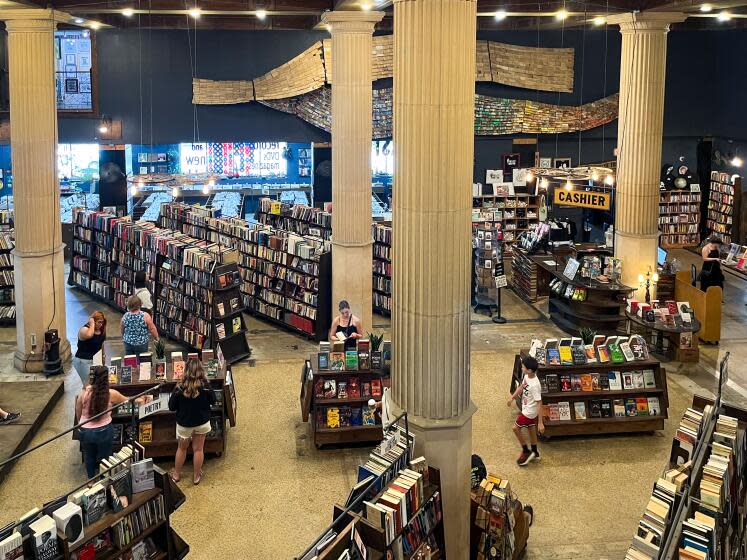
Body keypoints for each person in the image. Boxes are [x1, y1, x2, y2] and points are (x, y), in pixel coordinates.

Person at [75, 365, 151, 478]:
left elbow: (78, 411)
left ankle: (90, 480)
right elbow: (129, 400)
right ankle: (104, 480)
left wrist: (81, 426)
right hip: (104, 431)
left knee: (89, 456)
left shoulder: (84, 393)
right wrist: (142, 399)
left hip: (86, 430)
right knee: (105, 458)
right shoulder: (110, 394)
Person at [168, 360, 215, 485]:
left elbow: (171, 407)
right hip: (202, 422)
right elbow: (213, 401)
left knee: (181, 449)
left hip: (184, 424)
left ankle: (177, 474)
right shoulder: (205, 386)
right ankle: (196, 476)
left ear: (186, 371)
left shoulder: (179, 387)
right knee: (198, 449)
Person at [507, 355, 544, 466]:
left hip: (529, 412)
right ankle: (535, 452)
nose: (522, 369)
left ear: (530, 370)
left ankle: (526, 451)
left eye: (523, 367)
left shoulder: (535, 385)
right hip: (526, 408)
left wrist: (541, 423)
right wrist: (512, 397)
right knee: (531, 429)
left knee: (515, 428)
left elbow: (539, 403)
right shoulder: (528, 377)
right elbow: (522, 386)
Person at [72, 311, 107, 386]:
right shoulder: (84, 330)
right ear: (93, 321)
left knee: (96, 384)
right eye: (99, 322)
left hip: (95, 360)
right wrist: (92, 324)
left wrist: (103, 357)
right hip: (83, 361)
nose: (101, 325)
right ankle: (84, 397)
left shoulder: (101, 330)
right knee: (88, 385)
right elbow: (89, 335)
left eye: (102, 322)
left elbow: (101, 344)